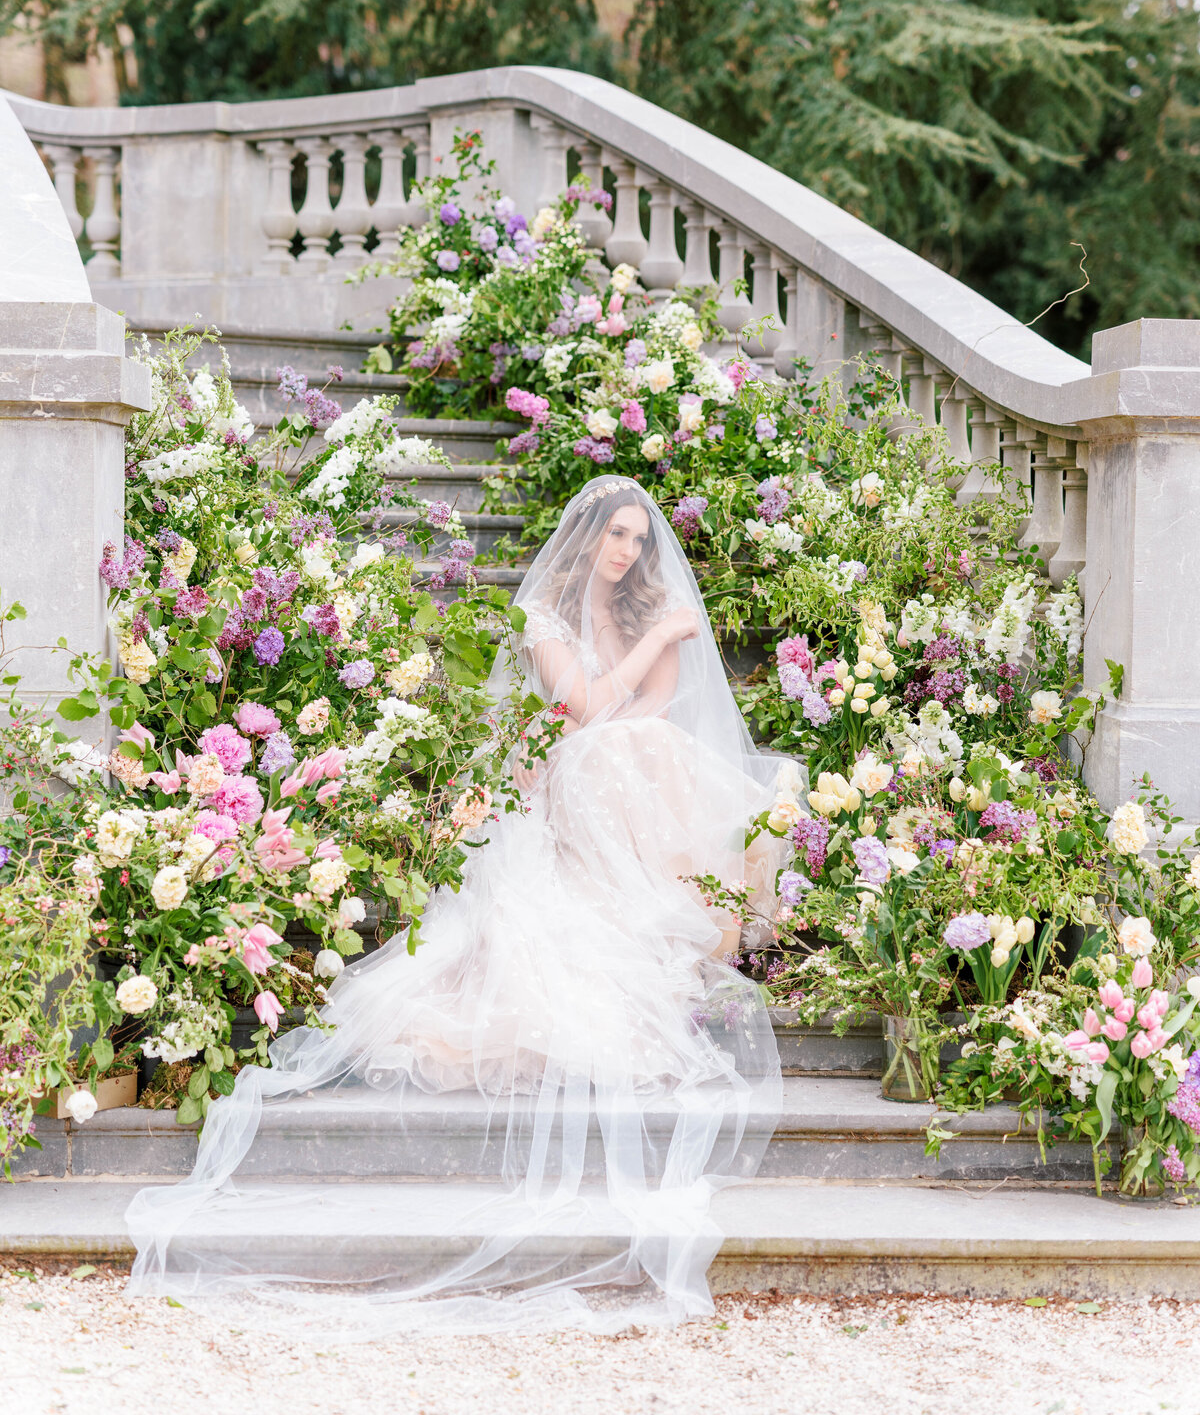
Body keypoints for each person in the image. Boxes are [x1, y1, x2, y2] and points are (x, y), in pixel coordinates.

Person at [126, 476, 796, 1339]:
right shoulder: (545, 621)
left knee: (654, 747)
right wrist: (656, 643)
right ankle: (665, 908)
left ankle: (669, 907)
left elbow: (654, 712)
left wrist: (654, 636)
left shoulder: (642, 616)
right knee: (610, 750)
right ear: (587, 536)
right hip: (564, 782)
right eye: (615, 536)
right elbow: (580, 711)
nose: (627, 552)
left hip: (620, 777)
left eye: (639, 539)